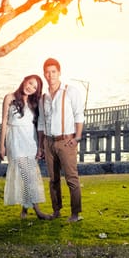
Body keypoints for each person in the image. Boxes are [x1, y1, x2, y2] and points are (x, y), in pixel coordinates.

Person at [38, 58, 85, 222]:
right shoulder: (43, 98)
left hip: (66, 141)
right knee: (53, 180)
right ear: (44, 74)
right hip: (49, 142)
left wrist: (77, 138)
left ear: (59, 73)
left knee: (72, 179)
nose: (50, 75)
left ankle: (75, 214)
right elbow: (41, 123)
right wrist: (41, 146)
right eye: (47, 72)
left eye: (53, 72)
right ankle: (56, 211)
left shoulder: (71, 91)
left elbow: (79, 115)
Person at [0, 75, 51, 220]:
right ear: (24, 81)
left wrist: (40, 147)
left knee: (29, 175)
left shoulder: (33, 103)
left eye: (35, 87)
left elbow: (40, 123)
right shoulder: (9, 98)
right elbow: (4, 121)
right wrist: (1, 145)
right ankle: (38, 212)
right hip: (15, 139)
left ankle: (25, 210)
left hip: (30, 140)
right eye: (30, 83)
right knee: (26, 175)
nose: (30, 87)